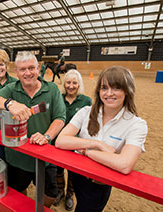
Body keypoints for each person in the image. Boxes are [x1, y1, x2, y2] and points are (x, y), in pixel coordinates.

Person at [56, 66, 148, 212]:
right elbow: (61, 141)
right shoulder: (85, 112)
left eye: (116, 88)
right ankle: (67, 195)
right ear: (98, 91)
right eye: (104, 88)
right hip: (76, 173)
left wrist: (86, 151)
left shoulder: (136, 124)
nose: (109, 93)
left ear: (127, 91)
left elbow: (124, 164)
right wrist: (96, 144)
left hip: (98, 184)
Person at [0, 51, 66, 207]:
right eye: (22, 69)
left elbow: (60, 118)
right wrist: (9, 103)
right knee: (18, 189)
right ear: (16, 71)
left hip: (45, 158)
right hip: (17, 157)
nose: (28, 73)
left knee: (50, 193)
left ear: (38, 68)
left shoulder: (52, 89)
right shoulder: (11, 89)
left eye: (31, 68)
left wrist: (47, 136)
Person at [54, 69, 92, 211]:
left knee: (73, 172)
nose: (71, 86)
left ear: (79, 84)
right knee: (58, 169)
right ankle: (60, 192)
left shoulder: (86, 100)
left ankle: (70, 195)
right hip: (58, 142)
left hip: (76, 144)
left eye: (74, 83)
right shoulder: (58, 97)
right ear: (64, 84)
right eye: (68, 82)